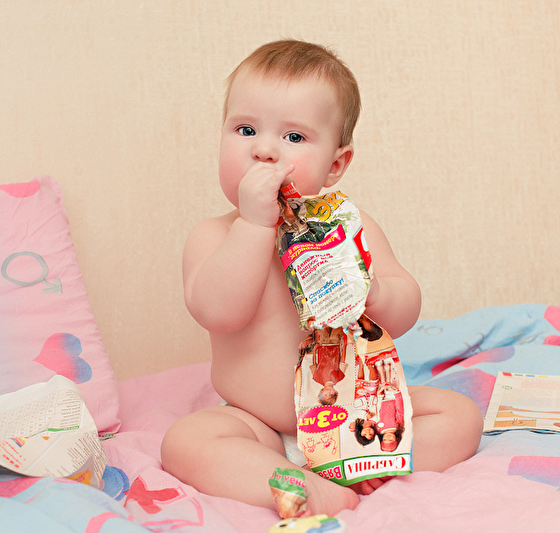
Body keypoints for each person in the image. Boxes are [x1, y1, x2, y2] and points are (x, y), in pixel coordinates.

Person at [161, 39, 483, 517]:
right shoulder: (214, 235)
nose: (264, 150)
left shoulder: (352, 227)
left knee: (460, 416)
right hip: (260, 427)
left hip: (359, 416)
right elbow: (219, 313)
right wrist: (254, 225)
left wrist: (375, 291)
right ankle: (303, 485)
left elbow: (406, 307)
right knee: (186, 442)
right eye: (246, 130)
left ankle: (363, 462)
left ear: (335, 165)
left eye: (294, 137)